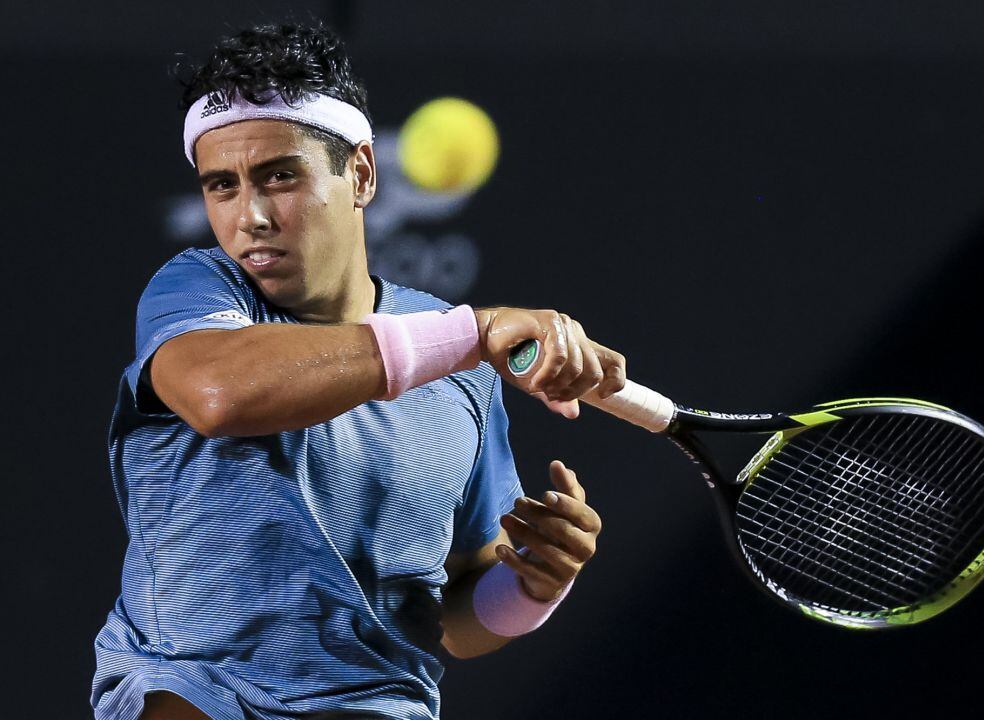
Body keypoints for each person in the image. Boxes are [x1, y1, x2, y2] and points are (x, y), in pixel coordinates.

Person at [90, 23, 626, 720]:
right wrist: (474, 332)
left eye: (279, 175)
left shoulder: (462, 370)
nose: (248, 216)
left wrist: (532, 587)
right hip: (194, 695)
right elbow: (219, 394)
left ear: (362, 175)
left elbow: (449, 619)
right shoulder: (195, 291)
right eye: (221, 186)